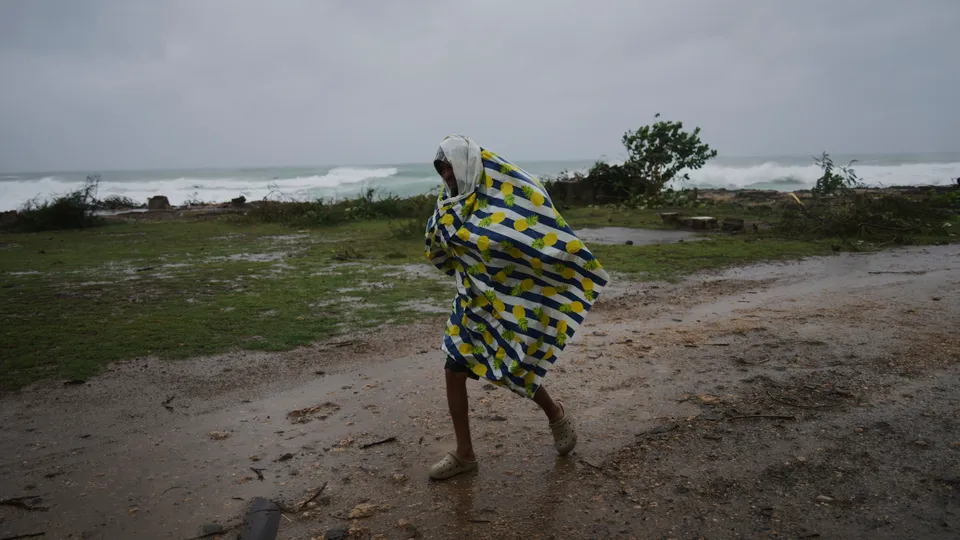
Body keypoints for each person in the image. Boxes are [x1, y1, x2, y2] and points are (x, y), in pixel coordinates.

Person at [424, 135, 610, 480]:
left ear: (466, 164)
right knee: (453, 369)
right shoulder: (447, 205)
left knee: (514, 365)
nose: (446, 174)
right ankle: (465, 454)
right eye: (441, 168)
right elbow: (440, 249)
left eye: (450, 166)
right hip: (470, 302)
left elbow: (534, 234)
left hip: (507, 300)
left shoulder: (505, 199)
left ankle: (555, 414)